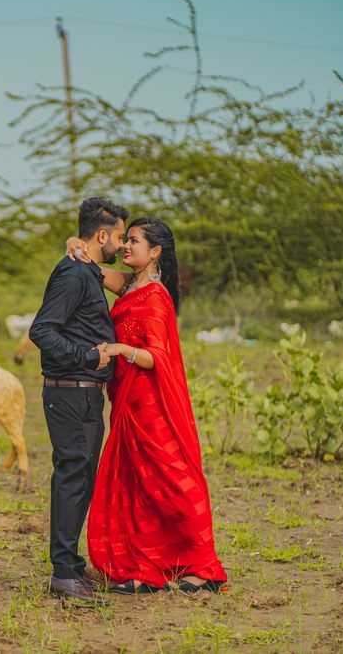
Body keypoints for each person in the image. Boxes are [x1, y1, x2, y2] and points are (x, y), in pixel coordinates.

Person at [66, 217, 228, 594]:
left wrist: (122, 349)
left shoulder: (155, 296)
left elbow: (158, 357)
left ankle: (203, 566)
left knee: (171, 480)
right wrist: (74, 241)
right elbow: (91, 266)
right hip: (127, 401)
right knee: (135, 484)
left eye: (134, 241)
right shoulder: (130, 286)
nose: (126, 247)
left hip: (151, 403)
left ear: (155, 251)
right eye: (126, 241)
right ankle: (142, 566)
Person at [29, 197, 128, 606]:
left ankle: (70, 567)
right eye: (119, 237)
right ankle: (64, 576)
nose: (122, 246)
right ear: (101, 235)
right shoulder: (72, 273)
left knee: (79, 479)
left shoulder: (85, 267)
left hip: (83, 394)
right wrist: (89, 356)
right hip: (70, 391)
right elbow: (42, 330)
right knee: (72, 478)